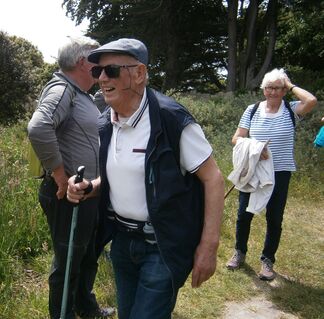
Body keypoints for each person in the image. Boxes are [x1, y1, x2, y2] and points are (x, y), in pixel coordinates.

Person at [67, 38, 225, 319]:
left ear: (139, 74)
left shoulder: (171, 120)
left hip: (162, 246)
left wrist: (208, 246)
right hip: (122, 244)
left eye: (111, 70)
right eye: (97, 71)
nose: (102, 78)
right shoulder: (106, 124)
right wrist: (89, 187)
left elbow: (213, 179)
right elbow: (117, 179)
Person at [27, 36, 114, 319]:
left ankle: (86, 309)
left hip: (86, 193)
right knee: (68, 263)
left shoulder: (81, 94)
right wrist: (61, 177)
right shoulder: (63, 90)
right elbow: (39, 127)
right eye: (97, 60)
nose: (101, 67)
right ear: (81, 62)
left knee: (86, 256)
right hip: (69, 195)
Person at [226, 68, 317, 280]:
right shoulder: (252, 109)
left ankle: (267, 261)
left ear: (284, 90)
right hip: (254, 170)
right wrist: (256, 147)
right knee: (243, 214)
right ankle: (239, 253)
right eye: (269, 88)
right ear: (263, 89)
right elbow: (236, 138)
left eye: (277, 88)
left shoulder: (291, 108)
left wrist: (291, 84)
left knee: (274, 217)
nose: (273, 92)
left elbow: (311, 100)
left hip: (281, 172)